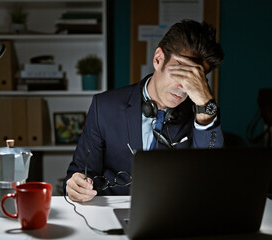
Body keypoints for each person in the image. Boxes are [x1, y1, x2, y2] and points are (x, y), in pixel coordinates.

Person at [64, 19, 225, 202]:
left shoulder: (202, 115)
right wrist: (75, 185)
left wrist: (206, 107)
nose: (183, 88)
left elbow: (210, 179)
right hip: (111, 214)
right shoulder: (104, 106)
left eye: (195, 79)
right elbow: (78, 173)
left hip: (172, 216)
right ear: (158, 59)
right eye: (182, 73)